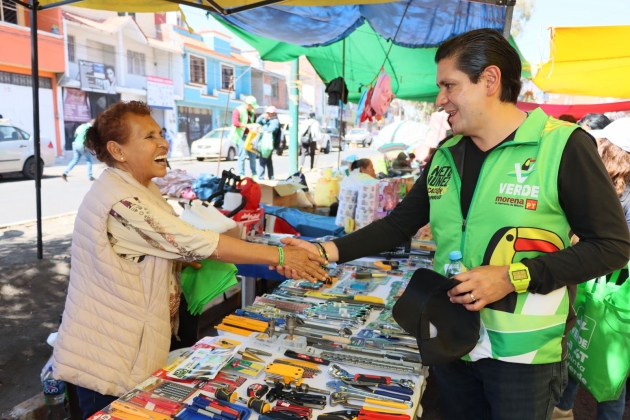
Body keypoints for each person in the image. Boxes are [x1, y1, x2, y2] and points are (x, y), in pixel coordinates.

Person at [274, 29, 630, 420]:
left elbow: (612, 245)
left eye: (449, 86)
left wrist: (513, 277)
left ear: (490, 80)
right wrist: (324, 250)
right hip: (452, 338)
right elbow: (398, 225)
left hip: (524, 359)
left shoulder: (562, 146)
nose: (440, 100)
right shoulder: (446, 154)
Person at [51, 101, 327, 420]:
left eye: (160, 133)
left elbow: (155, 246)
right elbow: (196, 241)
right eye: (148, 137)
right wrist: (281, 253)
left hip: (136, 344)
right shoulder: (120, 200)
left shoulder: (141, 188)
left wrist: (178, 260)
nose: (163, 142)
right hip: (109, 357)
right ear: (118, 150)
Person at [554, 117, 629, 420]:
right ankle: (561, 409)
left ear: (611, 151)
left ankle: (562, 409)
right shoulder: (607, 186)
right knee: (582, 358)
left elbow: (615, 248)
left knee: (610, 375)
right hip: (601, 291)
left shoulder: (614, 191)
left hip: (616, 299)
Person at [230, 96, 258, 178]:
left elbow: (255, 122)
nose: (253, 108)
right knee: (242, 156)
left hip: (250, 136)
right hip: (240, 136)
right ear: (247, 104)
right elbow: (235, 123)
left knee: (253, 156)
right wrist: (247, 125)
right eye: (252, 106)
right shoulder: (237, 110)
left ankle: (254, 174)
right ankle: (241, 174)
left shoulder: (253, 112)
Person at [256, 106, 281, 180]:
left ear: (274, 113)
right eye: (267, 113)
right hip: (265, 143)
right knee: (268, 161)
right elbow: (258, 121)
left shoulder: (275, 121)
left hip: (268, 144)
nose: (268, 114)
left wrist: (262, 131)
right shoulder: (267, 120)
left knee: (262, 160)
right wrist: (262, 116)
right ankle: (271, 177)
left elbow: (270, 130)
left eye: (270, 113)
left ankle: (261, 177)